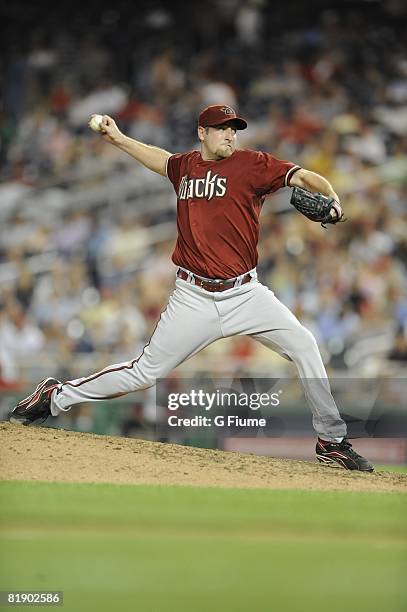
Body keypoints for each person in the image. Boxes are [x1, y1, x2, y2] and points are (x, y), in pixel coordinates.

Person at [10, 104, 374, 472]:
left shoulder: (251, 164)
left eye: (234, 129)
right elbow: (162, 160)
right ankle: (56, 396)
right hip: (193, 297)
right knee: (144, 373)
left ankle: (332, 442)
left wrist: (334, 198)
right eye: (222, 129)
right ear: (202, 133)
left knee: (304, 344)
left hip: (245, 294)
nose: (230, 134)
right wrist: (118, 139)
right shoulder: (186, 167)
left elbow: (304, 177)